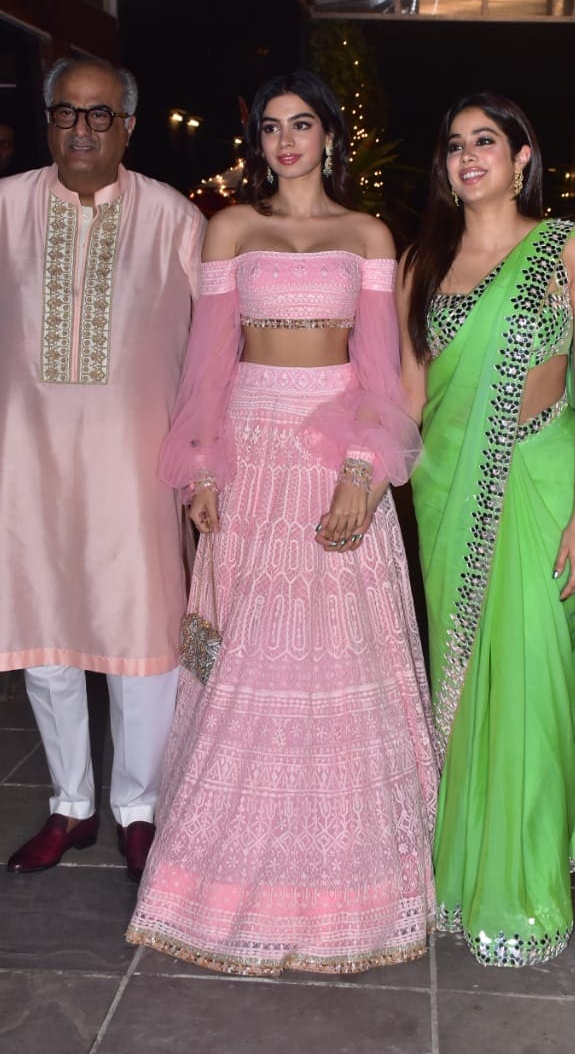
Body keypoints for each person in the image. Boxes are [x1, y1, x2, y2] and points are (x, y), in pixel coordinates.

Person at [127, 70, 438, 975]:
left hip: (335, 448)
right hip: (252, 449)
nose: (286, 141)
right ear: (256, 141)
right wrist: (201, 465)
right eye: (271, 128)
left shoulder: (367, 235)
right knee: (248, 654)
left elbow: (381, 376)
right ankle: (220, 882)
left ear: (330, 136)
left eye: (302, 125)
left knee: (339, 654)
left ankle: (355, 891)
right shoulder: (231, 227)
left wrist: (362, 473)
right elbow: (206, 362)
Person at [0, 57, 205, 882]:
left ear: (128, 126)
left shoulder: (173, 219)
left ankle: (137, 808)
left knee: (143, 640)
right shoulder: (0, 210)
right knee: (44, 636)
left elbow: (211, 353)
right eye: (65, 113)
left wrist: (208, 465)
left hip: (139, 468)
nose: (80, 129)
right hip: (25, 462)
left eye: (99, 115)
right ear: (47, 120)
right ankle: (72, 806)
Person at [397, 91, 575, 967]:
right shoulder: (423, 261)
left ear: (523, 155)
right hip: (447, 496)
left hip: (540, 484)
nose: (466, 157)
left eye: (485, 141)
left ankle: (521, 886)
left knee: (529, 685)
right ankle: (457, 873)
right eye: (453, 145)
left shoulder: (568, 249)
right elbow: (409, 401)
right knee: (462, 691)